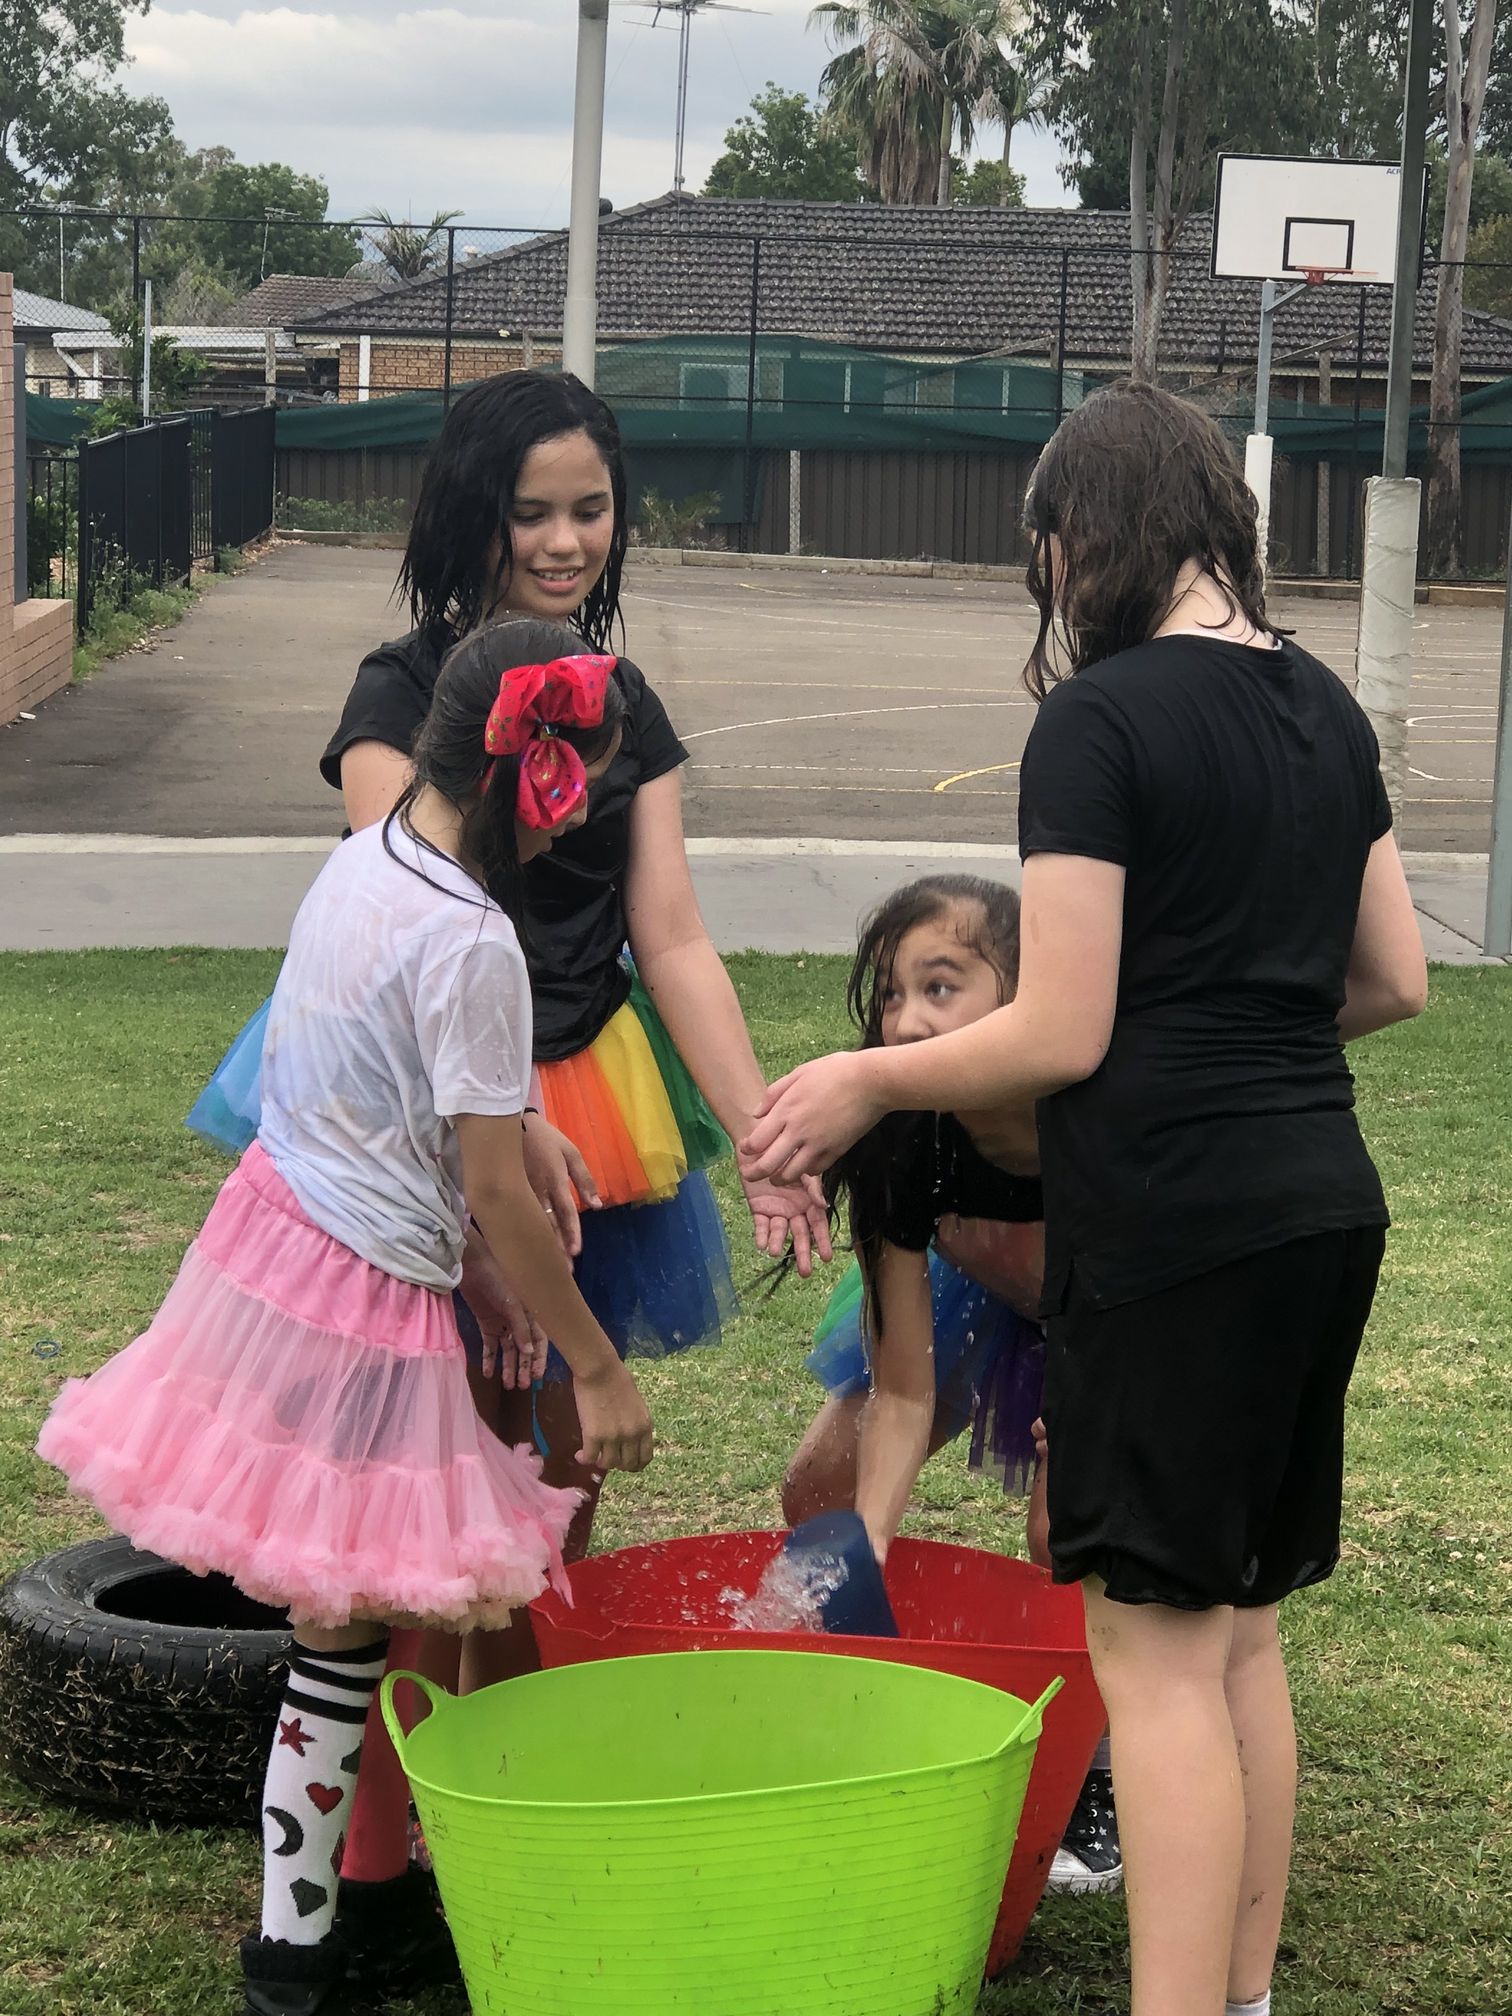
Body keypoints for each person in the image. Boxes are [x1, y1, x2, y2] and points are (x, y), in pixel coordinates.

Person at [742, 381, 1428, 2016]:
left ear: (1082, 539)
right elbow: (1391, 979)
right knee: (1238, 1631)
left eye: (1043, 551)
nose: (1047, 584)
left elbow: (1059, 1028)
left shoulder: (1099, 721)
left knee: (1157, 1658)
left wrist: (865, 1079)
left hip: (1176, 1227)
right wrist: (1231, 1036)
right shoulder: (1326, 708)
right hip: (1321, 1203)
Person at [38, 626, 657, 2016]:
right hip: (361, 1302)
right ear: (537, 783)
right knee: (343, 1642)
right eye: (588, 788)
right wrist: (597, 1365)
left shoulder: (368, 857)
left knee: (353, 1619)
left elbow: (385, 1076)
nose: (585, 820)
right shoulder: (477, 939)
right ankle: (294, 1958)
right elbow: (490, 1192)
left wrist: (519, 1129)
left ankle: (355, 1910)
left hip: (276, 1245)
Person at [314, 369, 830, 1995]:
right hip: (442, 1117)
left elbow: (669, 934)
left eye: (588, 509)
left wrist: (766, 1133)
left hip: (593, 1105)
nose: (561, 539)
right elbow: (399, 924)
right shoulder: (401, 689)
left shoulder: (630, 700)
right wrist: (467, 1208)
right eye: (529, 510)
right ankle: (378, 1853)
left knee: (548, 1498)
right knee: (425, 1507)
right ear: (470, 515)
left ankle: (499, 1823)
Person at [780, 871, 1120, 1895]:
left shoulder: (1096, 1112)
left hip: (1111, 1322)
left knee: (1072, 1537)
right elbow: (904, 1391)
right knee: (821, 1489)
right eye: (892, 994)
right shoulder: (899, 1130)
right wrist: (869, 1541)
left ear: (1028, 997)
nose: (906, 1021)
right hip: (973, 1285)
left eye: (940, 987)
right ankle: (847, 1701)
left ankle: (1100, 1769)